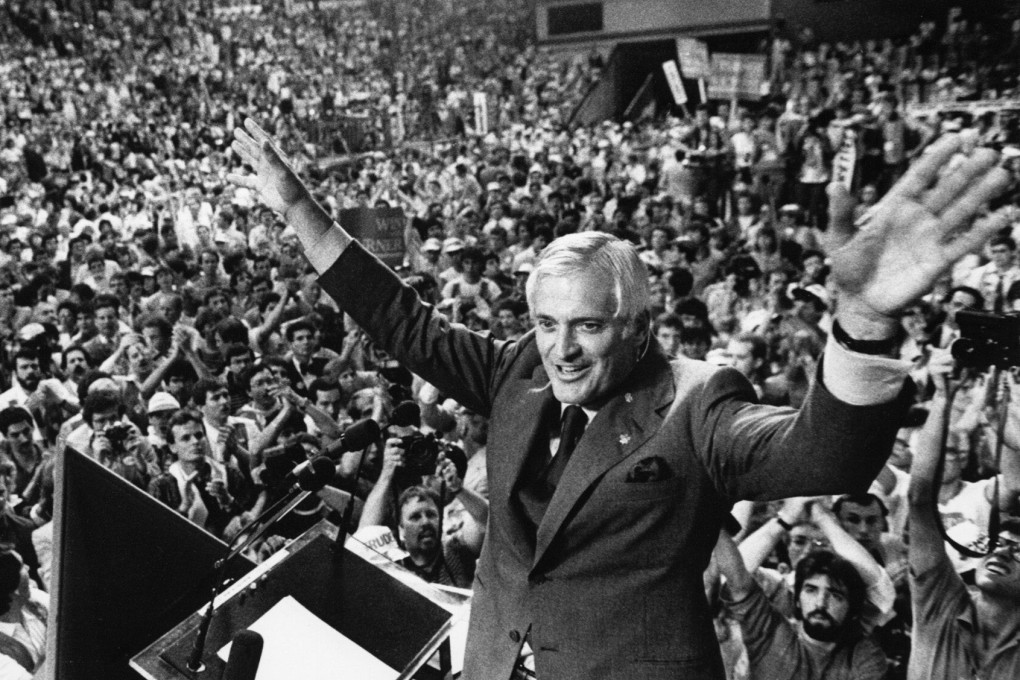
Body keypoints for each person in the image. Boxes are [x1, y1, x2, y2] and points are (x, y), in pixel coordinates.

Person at [230, 121, 1011, 680]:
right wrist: (302, 211)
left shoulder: (699, 404)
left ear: (639, 328)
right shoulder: (517, 370)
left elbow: (826, 453)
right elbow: (407, 323)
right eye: (544, 323)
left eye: (587, 326)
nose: (561, 349)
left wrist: (865, 322)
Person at [907, 350, 1020, 679]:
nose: (1003, 549)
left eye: (1019, 548)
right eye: (1000, 540)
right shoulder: (940, 603)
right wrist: (943, 396)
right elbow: (919, 499)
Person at [714, 530, 887, 680]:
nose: (820, 603)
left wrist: (821, 517)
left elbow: (882, 589)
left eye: (835, 595)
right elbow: (737, 580)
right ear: (797, 599)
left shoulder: (864, 655)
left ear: (852, 607)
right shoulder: (772, 634)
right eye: (811, 590)